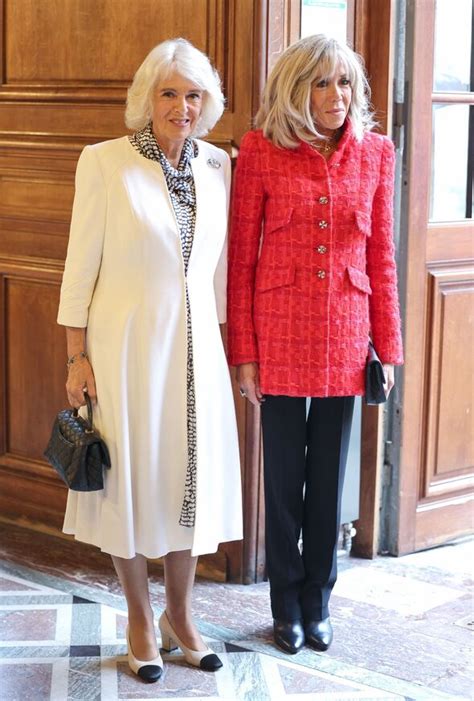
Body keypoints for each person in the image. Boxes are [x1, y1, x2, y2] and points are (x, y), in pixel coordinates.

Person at [57, 38, 242, 682]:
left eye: (194, 95)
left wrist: (228, 350)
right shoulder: (104, 162)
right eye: (169, 93)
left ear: (207, 103)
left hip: (196, 351)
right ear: (146, 99)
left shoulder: (218, 166)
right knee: (132, 481)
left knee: (188, 477)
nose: (182, 107)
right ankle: (139, 616)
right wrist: (77, 357)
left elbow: (216, 274)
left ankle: (180, 615)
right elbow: (80, 266)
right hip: (126, 345)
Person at [227, 34, 403, 655]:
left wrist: (388, 348)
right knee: (283, 479)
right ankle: (284, 604)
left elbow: (381, 257)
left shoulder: (376, 154)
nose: (337, 96)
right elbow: (241, 260)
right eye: (322, 83)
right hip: (277, 334)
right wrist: (243, 353)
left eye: (345, 82)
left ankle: (318, 601)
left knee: (328, 482)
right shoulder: (260, 151)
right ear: (296, 90)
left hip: (348, 338)